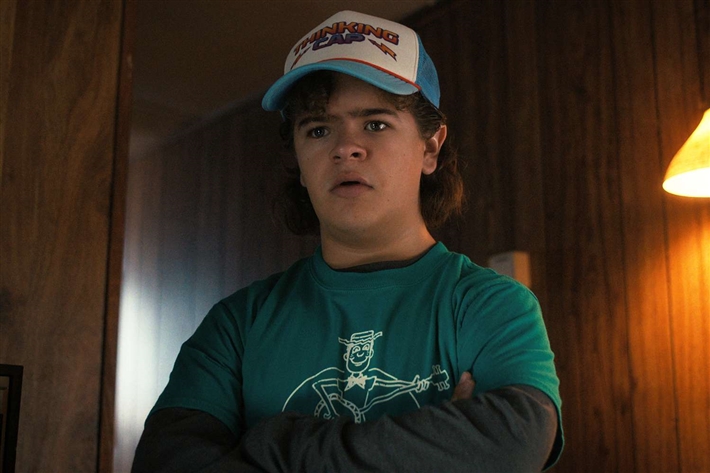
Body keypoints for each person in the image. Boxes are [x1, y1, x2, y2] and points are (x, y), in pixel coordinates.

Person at [132, 10, 564, 473]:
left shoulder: (490, 305)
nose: (345, 148)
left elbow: (517, 440)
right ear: (299, 163)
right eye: (318, 130)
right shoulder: (237, 324)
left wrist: (270, 445)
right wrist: (436, 449)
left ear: (430, 148)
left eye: (375, 124)